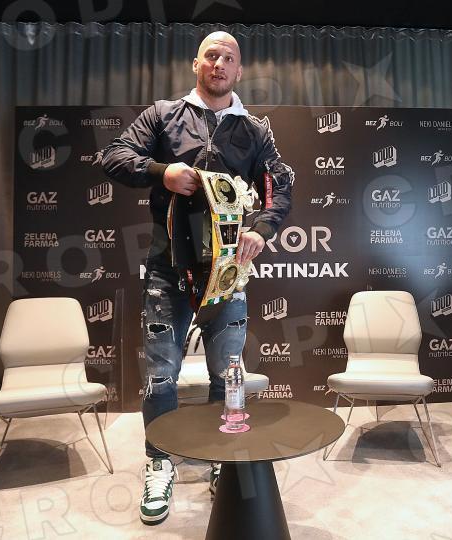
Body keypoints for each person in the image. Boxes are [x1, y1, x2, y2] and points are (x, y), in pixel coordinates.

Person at [102, 31, 293, 525]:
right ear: (196, 64)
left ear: (239, 70)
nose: (219, 63)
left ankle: (219, 460)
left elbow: (280, 185)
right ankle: (159, 462)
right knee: (160, 375)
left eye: (229, 57)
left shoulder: (254, 130)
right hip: (169, 269)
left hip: (228, 275)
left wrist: (262, 229)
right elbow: (114, 155)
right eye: (211, 55)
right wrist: (161, 172)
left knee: (227, 375)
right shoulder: (164, 115)